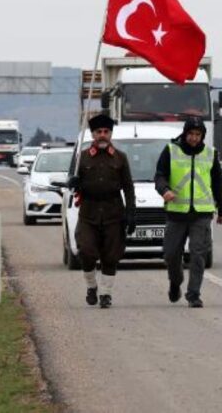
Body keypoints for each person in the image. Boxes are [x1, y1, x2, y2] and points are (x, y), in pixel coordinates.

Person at [154, 116, 222, 308]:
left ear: (202, 136)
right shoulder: (171, 150)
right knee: (171, 255)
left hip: (202, 214)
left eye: (198, 134)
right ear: (185, 133)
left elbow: (218, 184)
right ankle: (175, 282)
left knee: (198, 255)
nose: (194, 138)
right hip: (176, 213)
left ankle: (193, 294)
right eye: (191, 134)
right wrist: (165, 190)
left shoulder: (210, 154)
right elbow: (160, 175)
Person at [67, 114, 136, 308]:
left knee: (111, 256)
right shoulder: (83, 157)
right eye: (99, 132)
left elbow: (128, 187)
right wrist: (73, 182)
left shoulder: (120, 158)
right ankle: (91, 286)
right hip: (89, 213)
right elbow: (72, 184)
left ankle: (106, 294)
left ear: (111, 133)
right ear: (92, 134)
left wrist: (131, 214)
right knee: (86, 252)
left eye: (106, 132)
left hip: (114, 213)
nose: (103, 135)